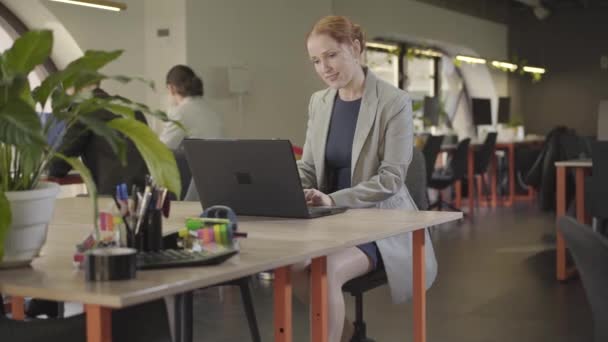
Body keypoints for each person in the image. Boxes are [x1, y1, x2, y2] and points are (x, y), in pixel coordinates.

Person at [295, 16, 438, 342]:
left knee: (324, 273)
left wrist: (334, 199)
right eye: (316, 60)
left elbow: (390, 179)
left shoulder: (394, 102)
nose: (324, 67)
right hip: (329, 220)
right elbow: (309, 167)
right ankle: (349, 338)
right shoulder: (319, 102)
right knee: (290, 267)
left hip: (380, 221)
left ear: (356, 48)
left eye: (331, 55)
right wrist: (290, 186)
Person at [48, 86, 148, 195]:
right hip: (144, 194)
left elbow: (59, 163)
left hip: (113, 198)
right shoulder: (131, 106)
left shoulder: (84, 110)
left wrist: (46, 165)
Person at [160, 65, 223, 150]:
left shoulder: (179, 113)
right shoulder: (211, 110)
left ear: (171, 88)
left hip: (195, 162)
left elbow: (161, 149)